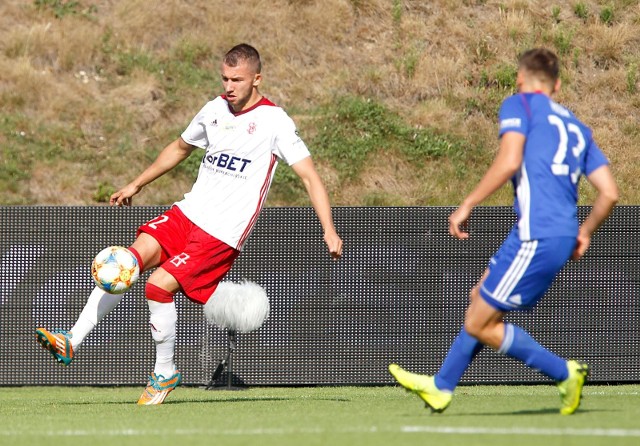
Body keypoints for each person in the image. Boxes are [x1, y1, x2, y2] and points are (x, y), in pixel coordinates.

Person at [35, 43, 343, 405]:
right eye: (225, 78)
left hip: (220, 234)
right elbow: (180, 148)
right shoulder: (214, 109)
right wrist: (137, 182)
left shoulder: (275, 121)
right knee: (127, 263)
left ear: (257, 79)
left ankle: (164, 373)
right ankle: (72, 339)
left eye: (237, 80)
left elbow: (309, 176)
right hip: (187, 214)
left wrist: (329, 228)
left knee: (157, 287)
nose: (229, 86)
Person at [389, 48, 619, 415]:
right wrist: (586, 231)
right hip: (553, 232)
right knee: (480, 295)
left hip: (536, 233)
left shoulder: (520, 104)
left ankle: (563, 372)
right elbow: (609, 192)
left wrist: (467, 203)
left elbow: (510, 159)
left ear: (520, 79)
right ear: (557, 85)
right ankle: (441, 386)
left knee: (479, 321)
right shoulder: (577, 126)